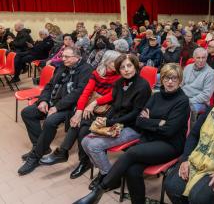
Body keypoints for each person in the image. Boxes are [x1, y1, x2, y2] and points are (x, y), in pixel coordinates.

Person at [74, 63, 190, 204]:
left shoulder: (182, 101)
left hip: (170, 145)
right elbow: (139, 121)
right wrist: (159, 122)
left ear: (180, 80)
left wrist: (150, 121)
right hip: (150, 139)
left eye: (174, 78)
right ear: (162, 79)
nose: (170, 82)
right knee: (132, 170)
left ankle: (100, 189)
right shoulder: (156, 96)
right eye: (167, 78)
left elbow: (170, 130)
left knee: (132, 153)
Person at [39, 50, 121, 179]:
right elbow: (86, 93)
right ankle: (78, 159)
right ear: (106, 62)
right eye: (114, 62)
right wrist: (79, 111)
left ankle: (69, 155)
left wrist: (93, 104)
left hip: (109, 110)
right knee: (77, 121)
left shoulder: (120, 76)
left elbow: (113, 95)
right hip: (93, 108)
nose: (118, 65)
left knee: (82, 130)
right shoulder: (97, 73)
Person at [79, 54, 152, 190]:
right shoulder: (119, 82)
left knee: (94, 146)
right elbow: (114, 105)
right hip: (117, 122)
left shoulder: (143, 86)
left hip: (134, 127)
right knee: (85, 141)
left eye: (129, 66)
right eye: (122, 67)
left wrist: (110, 122)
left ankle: (110, 177)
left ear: (135, 66)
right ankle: (106, 172)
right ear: (118, 70)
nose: (126, 70)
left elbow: (135, 114)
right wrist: (106, 119)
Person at [18, 46, 93, 175]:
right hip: (52, 102)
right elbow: (49, 85)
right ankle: (41, 147)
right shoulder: (62, 66)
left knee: (50, 122)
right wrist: (43, 101)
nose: (63, 59)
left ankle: (35, 157)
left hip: (70, 107)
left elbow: (77, 93)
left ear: (77, 57)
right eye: (63, 56)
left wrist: (57, 107)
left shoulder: (86, 70)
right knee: (27, 113)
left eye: (66, 57)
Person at [182, 47, 214, 115]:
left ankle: (190, 125)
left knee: (185, 108)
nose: (201, 60)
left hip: (199, 102)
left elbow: (206, 95)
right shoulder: (188, 67)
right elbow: (181, 84)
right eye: (198, 58)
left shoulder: (210, 73)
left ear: (206, 58)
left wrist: (189, 101)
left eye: (203, 58)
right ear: (194, 58)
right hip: (184, 97)